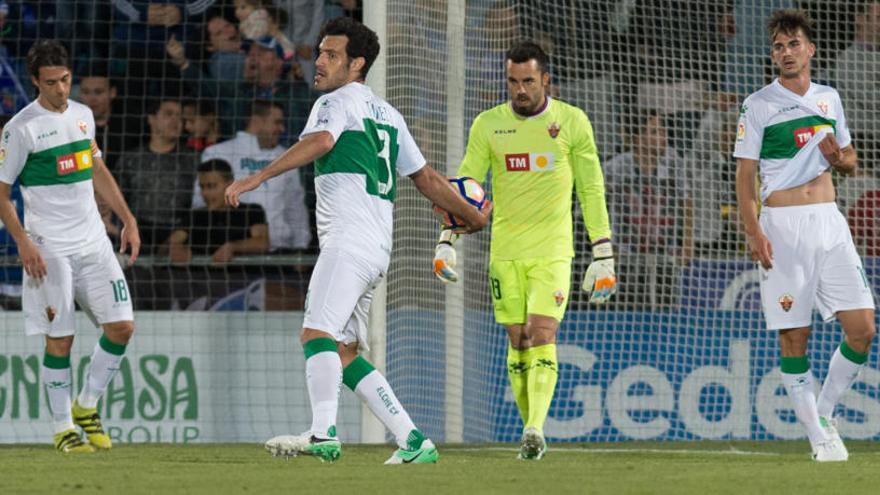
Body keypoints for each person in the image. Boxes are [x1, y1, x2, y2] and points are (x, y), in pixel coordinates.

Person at [225, 17, 491, 464]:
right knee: (345, 351)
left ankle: (323, 433)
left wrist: (260, 176)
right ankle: (412, 440)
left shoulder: (335, 103)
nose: (320, 61)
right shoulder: (389, 114)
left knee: (316, 333)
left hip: (348, 241)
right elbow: (426, 177)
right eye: (321, 52)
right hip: (376, 247)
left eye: (331, 55)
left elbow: (323, 141)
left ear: (356, 64)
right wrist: (473, 217)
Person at [431, 41, 615, 460]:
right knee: (517, 340)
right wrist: (447, 240)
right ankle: (529, 434)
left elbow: (590, 188)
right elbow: (468, 187)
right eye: (513, 81)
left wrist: (602, 251)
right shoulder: (488, 125)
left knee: (542, 332)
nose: (520, 90)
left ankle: (536, 427)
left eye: (528, 81)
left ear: (545, 79)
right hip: (506, 251)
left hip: (553, 249)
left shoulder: (572, 122)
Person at [734, 9, 875, 462]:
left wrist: (839, 160)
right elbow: (744, 175)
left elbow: (851, 160)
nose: (786, 52)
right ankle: (819, 438)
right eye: (778, 46)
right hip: (783, 227)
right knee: (795, 336)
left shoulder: (830, 99)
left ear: (810, 50)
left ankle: (825, 411)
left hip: (830, 222)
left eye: (793, 44)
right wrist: (753, 230)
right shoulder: (758, 104)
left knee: (863, 329)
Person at [0, 39, 140, 453]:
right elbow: (2, 193)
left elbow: (96, 168)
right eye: (50, 83)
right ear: (33, 82)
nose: (61, 90)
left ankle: (86, 406)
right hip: (50, 248)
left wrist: (128, 219)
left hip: (94, 242)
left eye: (65, 80)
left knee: (122, 327)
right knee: (60, 338)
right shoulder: (20, 128)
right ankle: (63, 428)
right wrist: (23, 242)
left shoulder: (83, 115)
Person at [195, 100, 311, 252]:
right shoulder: (218, 152)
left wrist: (301, 247)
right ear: (257, 122)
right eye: (277, 122)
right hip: (229, 251)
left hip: (281, 252)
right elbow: (199, 202)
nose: (282, 129)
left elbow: (295, 207)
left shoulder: (286, 157)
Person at [114, 97, 199, 254]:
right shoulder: (130, 159)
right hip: (137, 234)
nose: (176, 120)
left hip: (179, 235)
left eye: (180, 116)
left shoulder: (194, 159)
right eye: (168, 114)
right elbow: (117, 199)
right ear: (151, 119)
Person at [164, 159, 268, 263]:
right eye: (202, 187)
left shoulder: (252, 211)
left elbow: (262, 242)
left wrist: (232, 247)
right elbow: (168, 244)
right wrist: (175, 248)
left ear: (230, 185)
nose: (204, 193)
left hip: (243, 277)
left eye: (211, 186)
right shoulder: (196, 216)